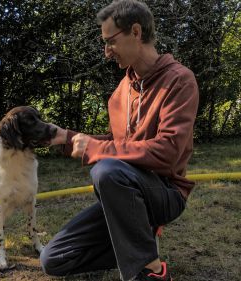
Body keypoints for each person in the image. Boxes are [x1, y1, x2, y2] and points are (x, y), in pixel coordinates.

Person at [40, 1, 199, 280]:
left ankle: (151, 271)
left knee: (106, 169)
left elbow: (168, 152)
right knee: (54, 259)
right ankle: (138, 239)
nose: (106, 52)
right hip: (125, 191)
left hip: (165, 191)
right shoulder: (120, 92)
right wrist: (67, 138)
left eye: (110, 41)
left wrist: (96, 149)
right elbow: (119, 143)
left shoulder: (179, 80)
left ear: (136, 32)